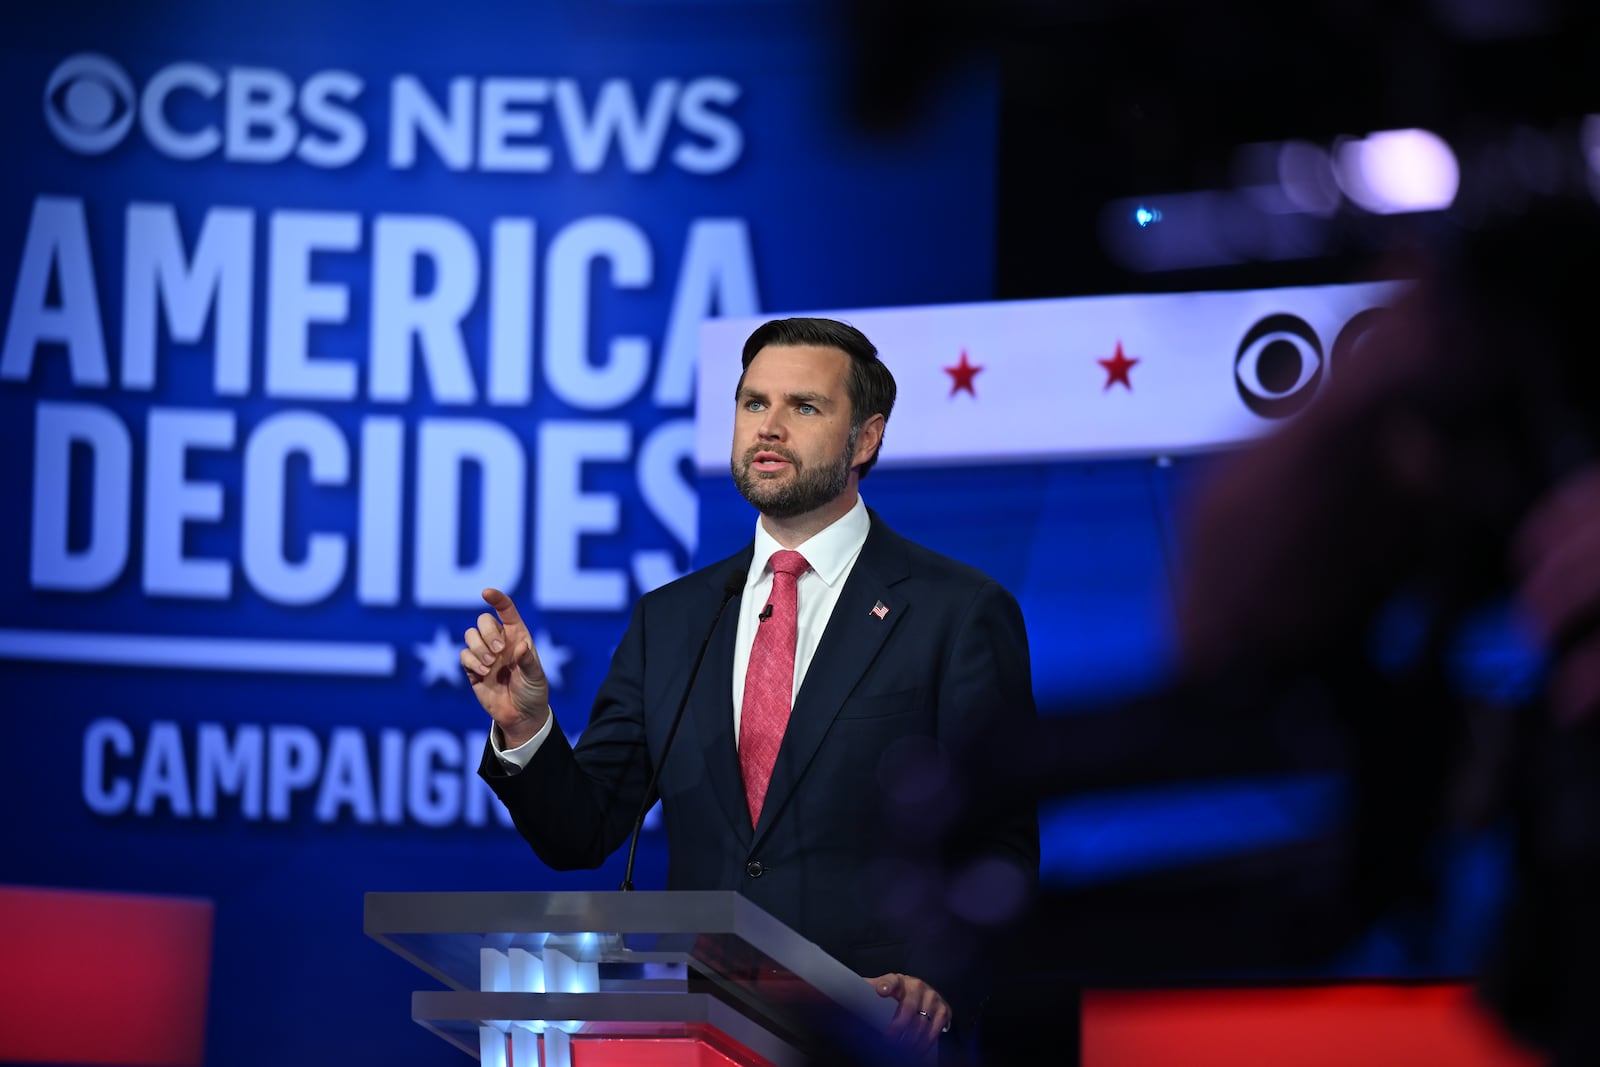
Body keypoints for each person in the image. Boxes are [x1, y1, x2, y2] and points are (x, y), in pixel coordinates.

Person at [460, 317, 1040, 1059]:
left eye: (804, 406)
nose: (768, 427)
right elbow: (583, 832)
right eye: (752, 403)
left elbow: (1000, 846)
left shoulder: (956, 611)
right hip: (703, 1033)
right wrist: (527, 729)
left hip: (875, 1035)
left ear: (865, 439)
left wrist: (939, 978)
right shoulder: (672, 619)